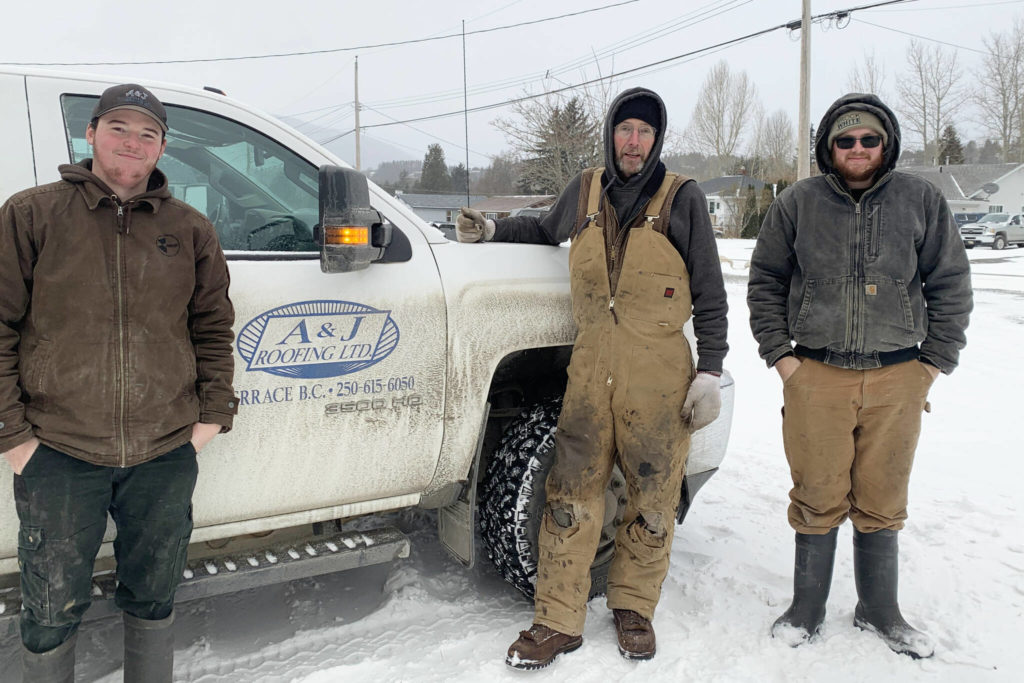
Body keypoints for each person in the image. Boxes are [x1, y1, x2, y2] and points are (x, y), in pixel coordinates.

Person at [458, 87, 728, 669]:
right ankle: (556, 619)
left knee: (651, 496)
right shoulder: (583, 191)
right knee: (570, 493)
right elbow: (541, 231)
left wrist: (710, 369)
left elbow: (709, 289)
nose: (634, 142)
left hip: (658, 374)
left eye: (645, 133)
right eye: (626, 130)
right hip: (589, 371)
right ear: (611, 133)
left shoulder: (683, 198)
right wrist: (492, 229)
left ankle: (633, 607)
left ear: (657, 141)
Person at [0, 84, 238, 681]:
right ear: (90, 135)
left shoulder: (189, 228)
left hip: (163, 449)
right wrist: (14, 436)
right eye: (119, 128)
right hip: (57, 448)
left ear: (162, 147)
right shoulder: (31, 214)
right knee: (51, 603)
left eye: (147, 133)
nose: (132, 143)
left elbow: (212, 324)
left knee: (155, 592)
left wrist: (210, 418)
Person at [747, 93, 972, 659]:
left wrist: (933, 364)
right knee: (817, 494)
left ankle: (879, 609)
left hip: (899, 376)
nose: (857, 149)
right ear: (829, 146)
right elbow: (765, 281)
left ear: (886, 143)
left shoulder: (920, 199)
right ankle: (807, 609)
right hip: (816, 373)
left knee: (882, 495)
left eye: (868, 139)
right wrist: (782, 359)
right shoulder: (798, 202)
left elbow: (951, 283)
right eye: (845, 140)